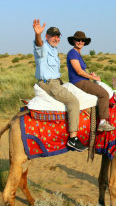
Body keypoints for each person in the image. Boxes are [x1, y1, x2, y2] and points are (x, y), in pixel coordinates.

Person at [32, 19, 87, 152]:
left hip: (56, 81)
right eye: (52, 36)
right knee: (73, 102)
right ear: (47, 36)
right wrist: (37, 34)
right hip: (49, 84)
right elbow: (38, 45)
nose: (55, 38)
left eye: (57, 36)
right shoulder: (43, 48)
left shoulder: (54, 50)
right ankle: (73, 138)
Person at [66, 31, 115, 132]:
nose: (80, 42)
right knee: (104, 94)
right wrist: (93, 78)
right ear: (74, 41)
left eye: (82, 40)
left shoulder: (77, 53)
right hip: (79, 81)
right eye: (78, 40)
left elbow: (81, 70)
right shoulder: (72, 53)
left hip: (82, 80)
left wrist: (90, 75)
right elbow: (78, 71)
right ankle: (102, 122)